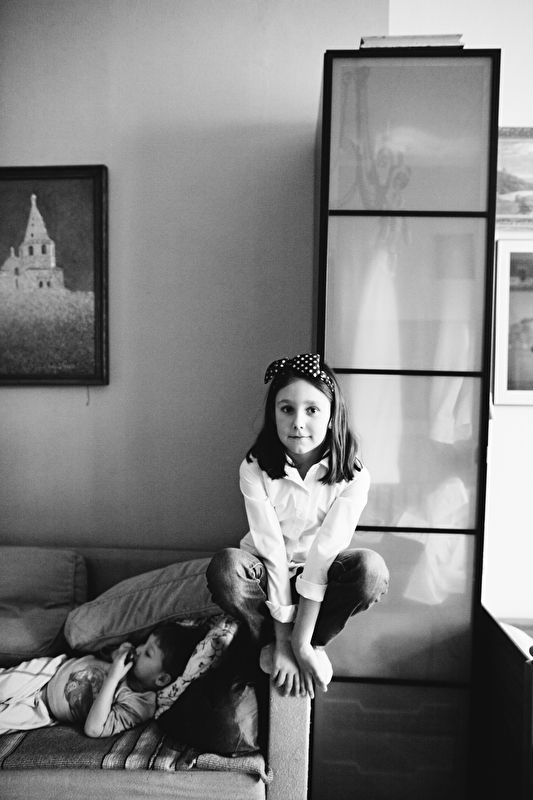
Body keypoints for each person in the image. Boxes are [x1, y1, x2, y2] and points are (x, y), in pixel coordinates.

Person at [207, 353, 389, 699]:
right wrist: (281, 640)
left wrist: (301, 643)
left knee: (371, 571)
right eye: (287, 409)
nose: (298, 422)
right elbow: (271, 549)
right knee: (226, 569)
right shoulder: (254, 468)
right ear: (273, 413)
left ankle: (311, 643)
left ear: (332, 416)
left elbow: (323, 554)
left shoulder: (354, 476)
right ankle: (267, 642)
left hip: (319, 572)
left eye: (312, 410)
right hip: (264, 571)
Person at [0, 624, 200, 738]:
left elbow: (94, 729)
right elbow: (97, 650)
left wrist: (113, 678)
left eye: (148, 653)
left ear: (161, 679)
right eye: (144, 644)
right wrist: (116, 653)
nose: (139, 649)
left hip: (44, 712)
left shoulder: (140, 704)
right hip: (48, 674)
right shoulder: (128, 661)